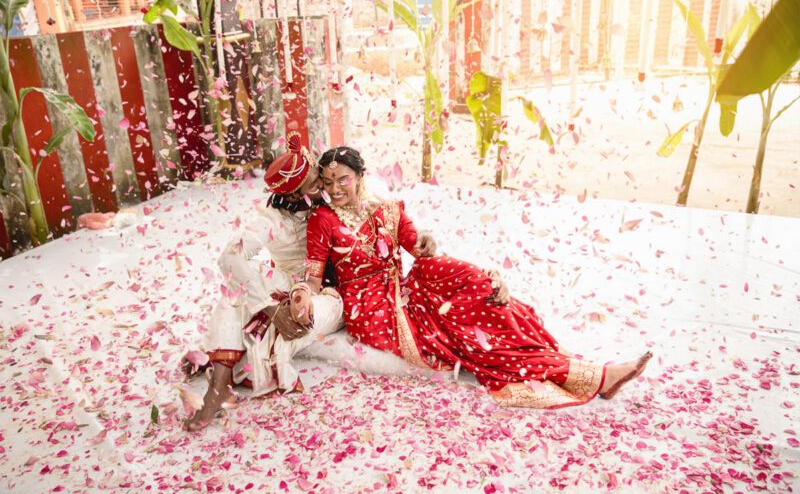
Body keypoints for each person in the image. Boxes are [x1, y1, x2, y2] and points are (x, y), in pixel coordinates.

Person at [293, 146, 652, 409]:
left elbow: (417, 247)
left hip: (401, 286)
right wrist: (304, 295)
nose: (336, 189)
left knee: (464, 282)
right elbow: (313, 274)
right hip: (371, 308)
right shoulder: (321, 219)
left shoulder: (387, 209)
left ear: (360, 177)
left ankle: (507, 306)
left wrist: (425, 244)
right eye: (328, 183)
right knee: (461, 331)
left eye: (343, 180)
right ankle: (593, 376)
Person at [184, 135, 344, 431]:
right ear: (295, 195)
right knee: (234, 291)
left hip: (330, 296)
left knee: (290, 307)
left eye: (319, 178)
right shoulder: (274, 220)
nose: (323, 186)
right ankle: (217, 386)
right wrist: (269, 307)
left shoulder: (337, 196)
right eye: (314, 184)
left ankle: (231, 367)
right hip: (291, 284)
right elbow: (229, 257)